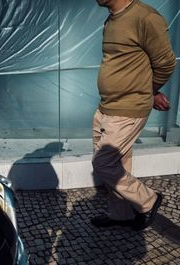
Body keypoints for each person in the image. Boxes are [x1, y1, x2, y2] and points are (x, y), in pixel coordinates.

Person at [91, 0, 176, 230]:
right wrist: (152, 90)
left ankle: (148, 200)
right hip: (107, 106)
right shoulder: (112, 19)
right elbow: (130, 64)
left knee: (103, 164)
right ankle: (121, 215)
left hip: (128, 108)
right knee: (119, 166)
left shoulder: (145, 18)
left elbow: (166, 63)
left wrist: (149, 91)